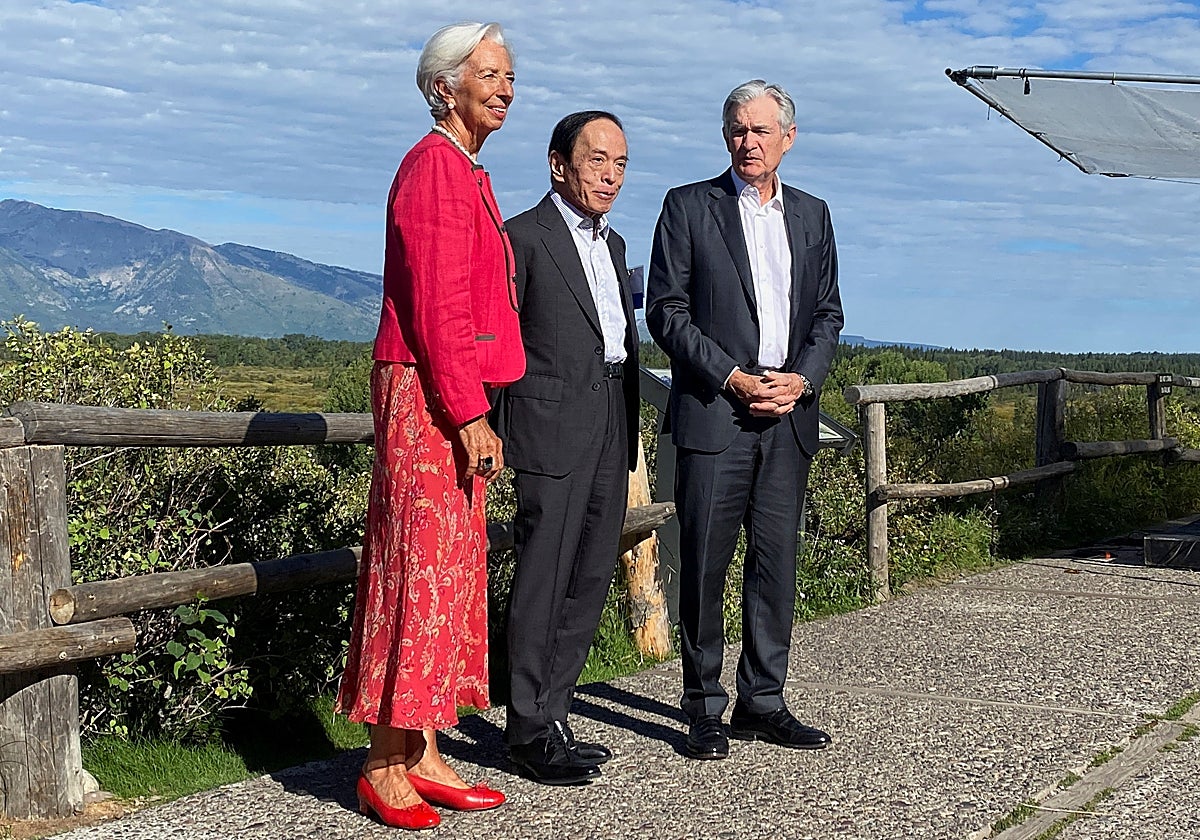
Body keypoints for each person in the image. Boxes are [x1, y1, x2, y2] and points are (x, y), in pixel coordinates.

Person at [334, 21, 523, 830]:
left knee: (450, 569)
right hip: (427, 391)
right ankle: (383, 761)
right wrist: (469, 413)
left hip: (442, 388)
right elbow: (437, 309)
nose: (505, 86)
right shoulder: (435, 170)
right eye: (489, 72)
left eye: (511, 75)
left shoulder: (463, 168)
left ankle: (425, 749)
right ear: (444, 86)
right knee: (417, 567)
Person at [645, 80, 843, 761]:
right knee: (703, 566)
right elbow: (665, 312)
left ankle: (764, 701)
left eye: (760, 131)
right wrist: (731, 376)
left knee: (775, 566)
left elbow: (827, 316)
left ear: (788, 137)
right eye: (736, 129)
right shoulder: (688, 207)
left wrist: (803, 380)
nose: (746, 142)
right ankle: (702, 708)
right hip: (716, 412)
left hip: (787, 418)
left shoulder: (814, 215)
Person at [497, 111, 640, 785]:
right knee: (544, 574)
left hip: (612, 413)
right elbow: (497, 341)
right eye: (596, 161)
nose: (609, 175)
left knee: (588, 575)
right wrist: (490, 428)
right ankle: (525, 729)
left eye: (619, 163)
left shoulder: (612, 244)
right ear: (559, 164)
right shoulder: (523, 237)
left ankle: (554, 714)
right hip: (550, 426)